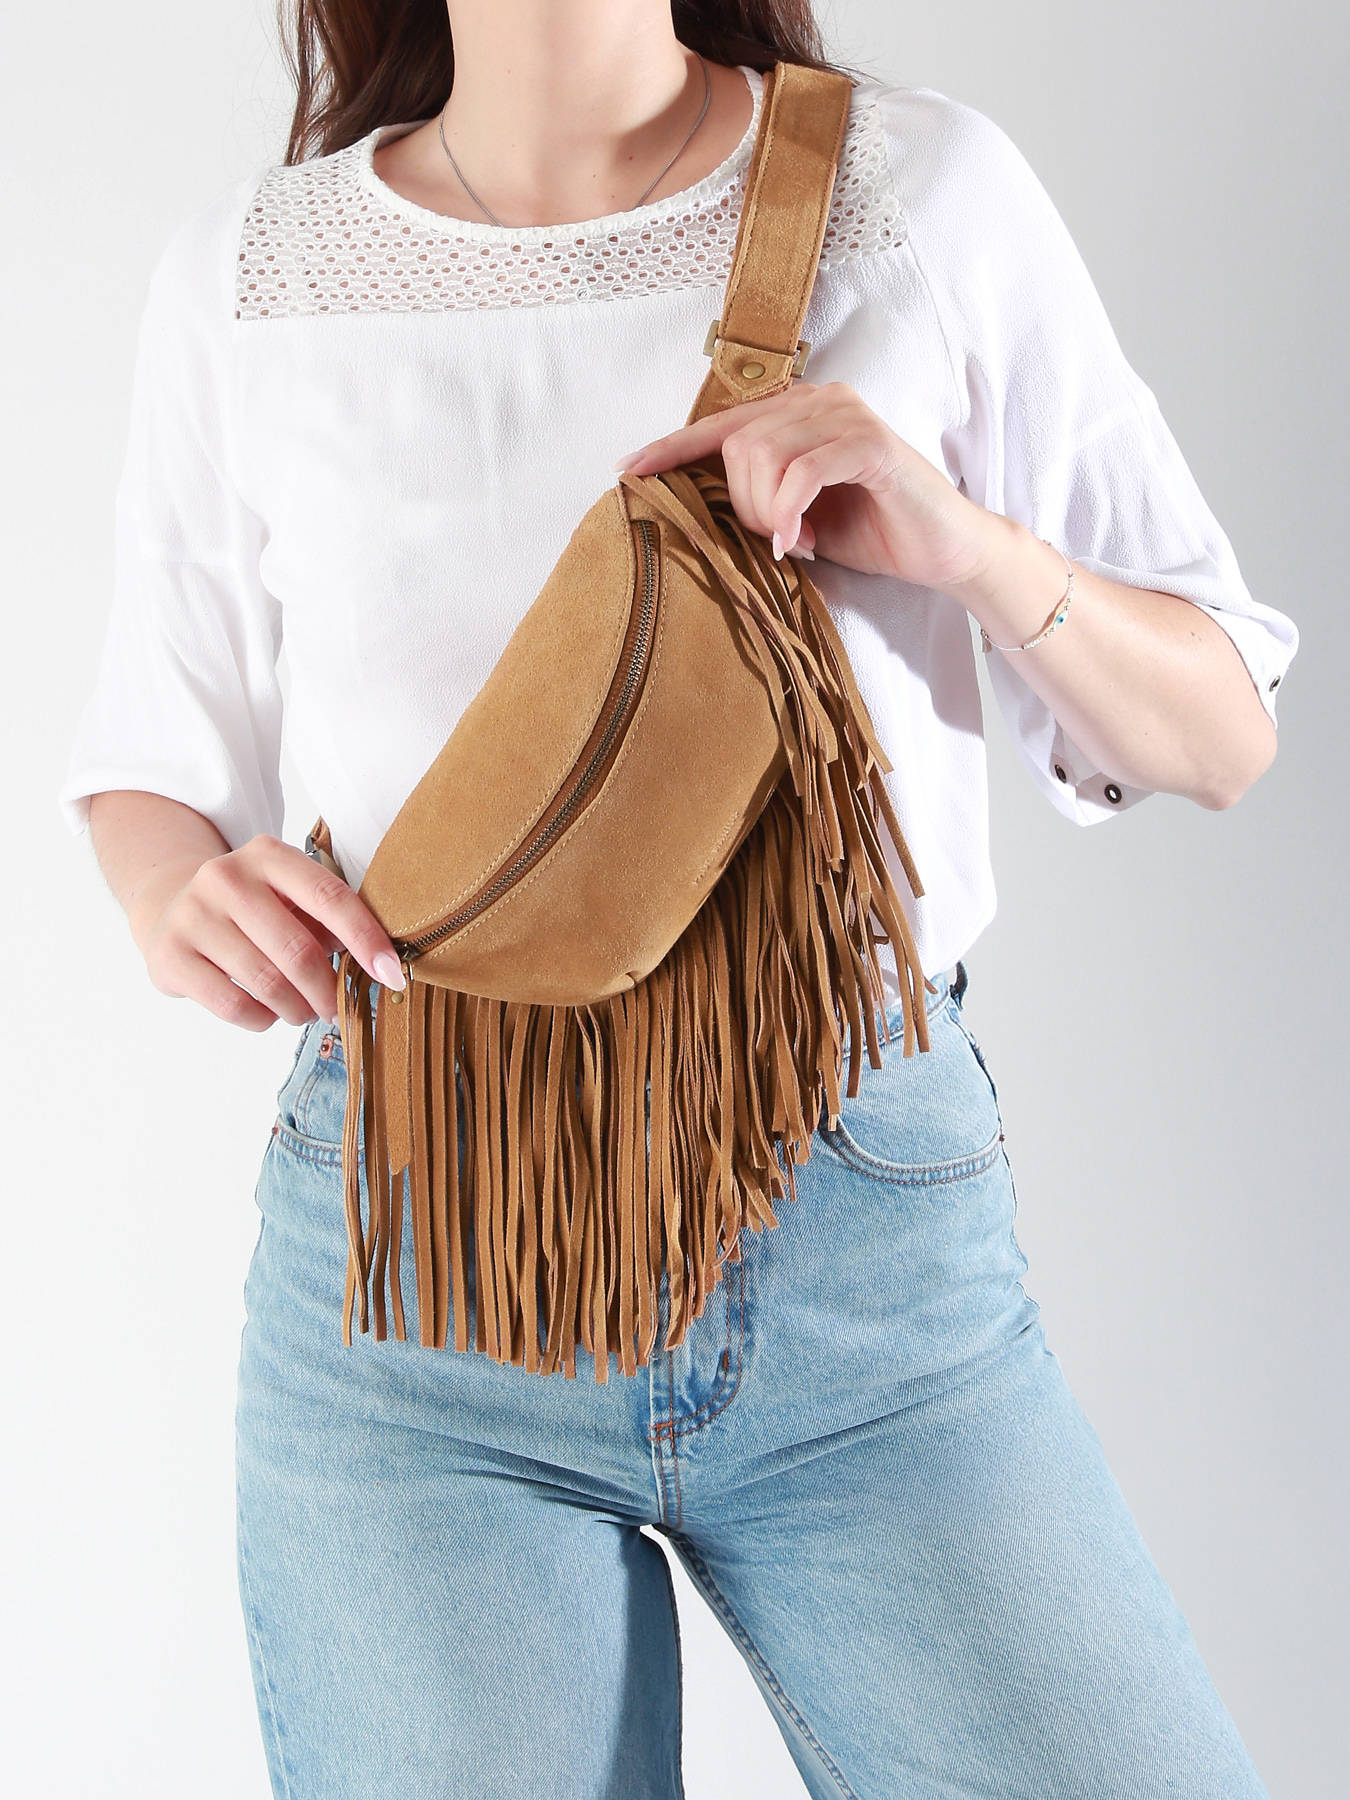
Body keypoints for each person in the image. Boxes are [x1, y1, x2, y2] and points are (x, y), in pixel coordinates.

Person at [58, 4, 1295, 1795]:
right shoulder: (257, 275)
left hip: (862, 1273)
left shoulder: (915, 193)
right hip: (420, 1262)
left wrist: (968, 546)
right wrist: (180, 890)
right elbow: (151, 758)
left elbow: (1219, 733)